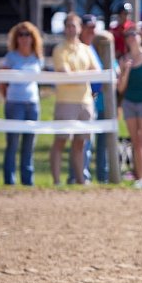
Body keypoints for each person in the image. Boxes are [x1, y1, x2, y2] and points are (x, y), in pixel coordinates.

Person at [50, 12, 99, 186]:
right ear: (65, 28)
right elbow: (65, 74)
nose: (71, 29)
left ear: (79, 28)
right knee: (61, 141)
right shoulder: (59, 49)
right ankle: (56, 180)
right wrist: (82, 75)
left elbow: (96, 71)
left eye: (74, 26)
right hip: (65, 101)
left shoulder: (86, 49)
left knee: (80, 143)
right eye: (68, 26)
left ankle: (80, 180)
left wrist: (77, 75)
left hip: (85, 101)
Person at [0, 21, 43, 186]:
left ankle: (27, 180)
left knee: (29, 143)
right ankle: (9, 180)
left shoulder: (37, 57)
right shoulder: (11, 57)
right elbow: (1, 81)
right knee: (13, 143)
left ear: (33, 38)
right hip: (15, 103)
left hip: (32, 103)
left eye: (27, 35)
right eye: (21, 35)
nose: (24, 38)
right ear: (16, 38)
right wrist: (8, 97)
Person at [117, 27, 142, 189]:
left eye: (133, 34)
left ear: (140, 36)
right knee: (136, 142)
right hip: (129, 102)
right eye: (127, 35)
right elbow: (121, 88)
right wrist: (127, 70)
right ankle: (141, 176)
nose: (130, 38)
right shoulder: (124, 59)